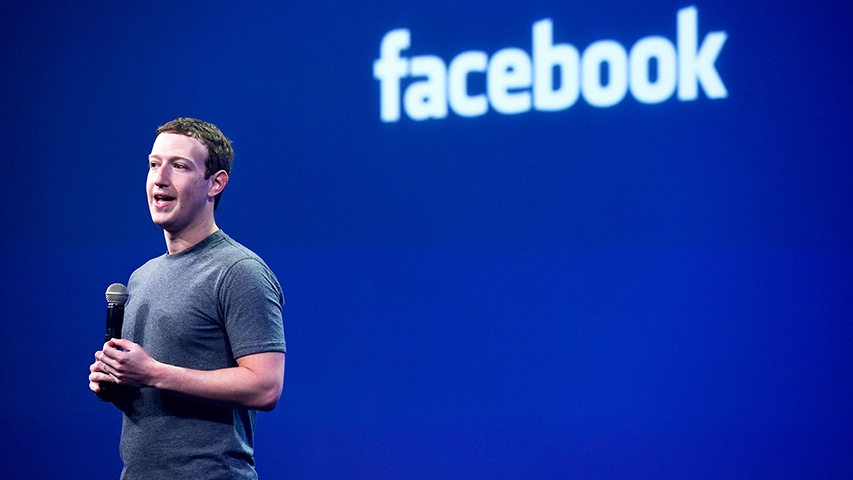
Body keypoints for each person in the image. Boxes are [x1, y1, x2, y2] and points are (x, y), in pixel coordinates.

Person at [88, 118, 286, 479]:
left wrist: (154, 373)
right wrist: (118, 383)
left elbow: (265, 386)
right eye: (153, 164)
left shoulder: (238, 271)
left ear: (216, 183)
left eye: (178, 166)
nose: (160, 178)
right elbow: (156, 389)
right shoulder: (142, 277)